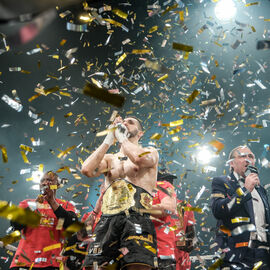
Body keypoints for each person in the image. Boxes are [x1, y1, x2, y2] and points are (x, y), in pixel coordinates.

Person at [81, 115, 159, 270]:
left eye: (130, 122)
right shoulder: (110, 159)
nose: (125, 123)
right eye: (123, 122)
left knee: (137, 266)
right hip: (107, 220)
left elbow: (138, 158)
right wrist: (108, 140)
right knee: (96, 267)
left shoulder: (150, 151)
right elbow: (87, 169)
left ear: (140, 133)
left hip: (137, 217)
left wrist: (122, 138)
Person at [211, 145, 270, 269]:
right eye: (242, 156)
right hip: (236, 253)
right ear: (231, 163)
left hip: (263, 253)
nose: (248, 160)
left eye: (251, 156)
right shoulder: (222, 182)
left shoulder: (261, 189)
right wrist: (245, 190)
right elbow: (218, 211)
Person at [9, 171, 78, 270]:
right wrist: (35, 206)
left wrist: (52, 202)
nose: (45, 183)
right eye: (42, 180)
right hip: (24, 263)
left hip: (52, 264)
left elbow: (72, 226)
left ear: (57, 185)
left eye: (49, 180)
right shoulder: (27, 203)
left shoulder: (66, 205)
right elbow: (15, 225)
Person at [151, 171, 177, 270]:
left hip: (161, 250)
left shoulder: (165, 188)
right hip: (157, 250)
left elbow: (168, 208)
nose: (170, 182)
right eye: (167, 179)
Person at [174, 200, 196, 270]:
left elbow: (193, 236)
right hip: (161, 258)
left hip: (181, 262)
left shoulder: (186, 206)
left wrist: (192, 243)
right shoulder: (154, 205)